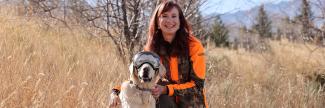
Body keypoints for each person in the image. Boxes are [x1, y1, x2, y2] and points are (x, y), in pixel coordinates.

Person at [109, 0, 208, 108]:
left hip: (192, 103)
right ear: (158, 21)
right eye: (164, 16)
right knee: (157, 93)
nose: (169, 20)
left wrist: (166, 90)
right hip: (165, 101)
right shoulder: (152, 49)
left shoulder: (194, 46)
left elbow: (197, 87)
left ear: (180, 21)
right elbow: (136, 78)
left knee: (162, 88)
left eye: (174, 16)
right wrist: (116, 91)